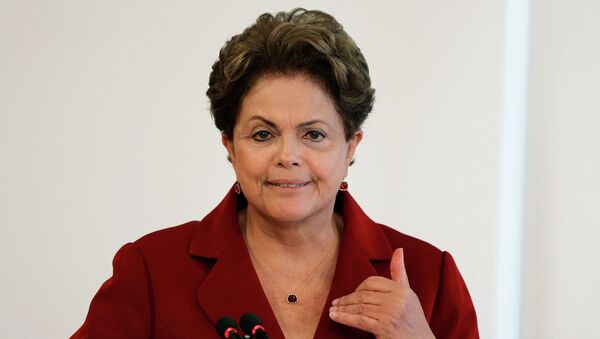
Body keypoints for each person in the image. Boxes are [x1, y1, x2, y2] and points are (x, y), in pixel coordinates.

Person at [72, 8, 479, 339]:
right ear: (230, 146)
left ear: (350, 147)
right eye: (263, 134)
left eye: (314, 134)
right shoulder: (152, 270)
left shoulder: (430, 278)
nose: (288, 156)